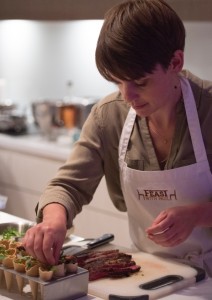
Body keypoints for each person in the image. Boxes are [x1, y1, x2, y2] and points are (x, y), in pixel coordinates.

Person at [23, 0, 212, 278]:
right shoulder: (109, 115)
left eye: (140, 82)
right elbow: (68, 185)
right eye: (117, 82)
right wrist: (53, 220)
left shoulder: (207, 109)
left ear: (175, 62)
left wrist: (198, 215)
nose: (127, 95)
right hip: (153, 273)